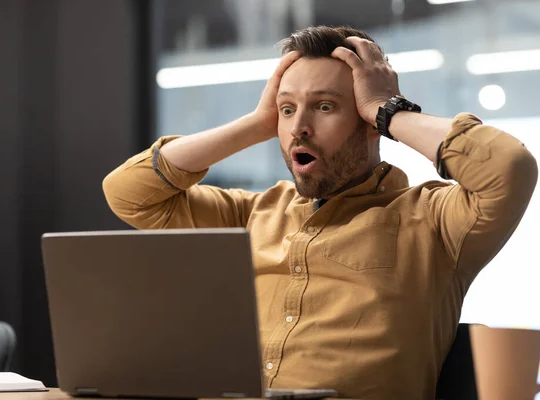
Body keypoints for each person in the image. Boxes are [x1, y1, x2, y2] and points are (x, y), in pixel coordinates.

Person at [102, 26, 537, 400]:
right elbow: (129, 194)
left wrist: (389, 109)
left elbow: (508, 167)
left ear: (370, 123)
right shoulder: (252, 213)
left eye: (324, 106)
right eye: (288, 110)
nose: (298, 127)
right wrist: (259, 122)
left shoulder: (436, 220)